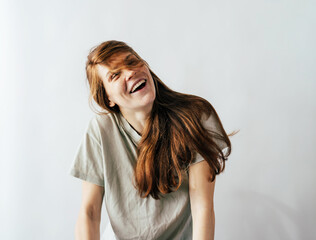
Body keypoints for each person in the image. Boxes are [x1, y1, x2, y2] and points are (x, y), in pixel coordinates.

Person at [69, 40, 236, 240]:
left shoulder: (196, 117)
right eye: (115, 75)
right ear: (108, 99)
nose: (130, 72)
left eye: (132, 62)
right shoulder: (100, 130)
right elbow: (90, 212)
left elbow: (202, 205)